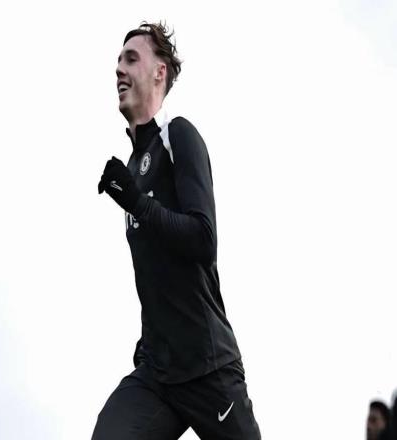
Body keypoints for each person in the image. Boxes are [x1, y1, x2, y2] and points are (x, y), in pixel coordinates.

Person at [92, 21, 261, 439]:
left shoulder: (178, 135)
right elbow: (156, 272)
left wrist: (138, 202)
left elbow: (203, 240)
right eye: (118, 60)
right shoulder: (133, 167)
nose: (119, 69)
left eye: (131, 59)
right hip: (157, 372)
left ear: (159, 72)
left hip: (208, 367)